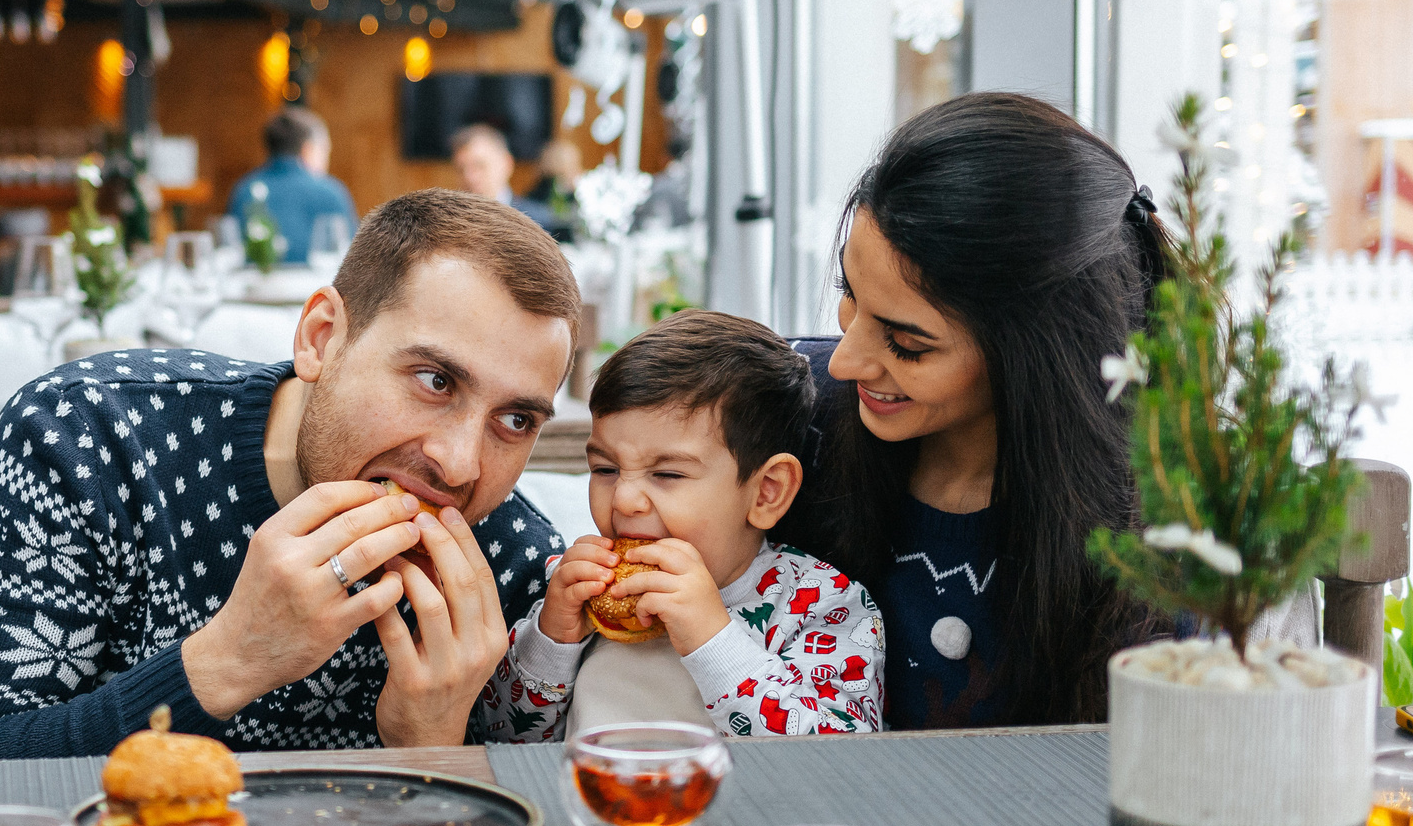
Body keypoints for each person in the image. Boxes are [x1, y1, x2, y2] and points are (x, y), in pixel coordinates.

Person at [0, 190, 582, 760]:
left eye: (516, 420)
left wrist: (431, 742)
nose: (461, 463)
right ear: (321, 337)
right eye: (435, 380)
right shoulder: (83, 438)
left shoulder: (515, 565)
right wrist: (226, 661)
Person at [779, 92, 1170, 730]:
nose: (845, 361)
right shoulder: (793, 417)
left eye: (907, 344)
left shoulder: (1152, 526)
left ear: (1039, 356)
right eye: (850, 295)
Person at [481, 311, 883, 742]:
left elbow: (843, 760)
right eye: (605, 468)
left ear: (767, 492)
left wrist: (712, 637)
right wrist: (551, 640)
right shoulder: (572, 587)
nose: (624, 500)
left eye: (667, 474)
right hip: (590, 802)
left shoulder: (823, 604)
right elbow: (502, 737)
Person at [225, 107, 357, 266]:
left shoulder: (244, 189)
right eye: (324, 150)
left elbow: (230, 252)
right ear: (307, 149)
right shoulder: (331, 192)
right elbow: (352, 260)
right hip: (315, 289)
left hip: (253, 290)